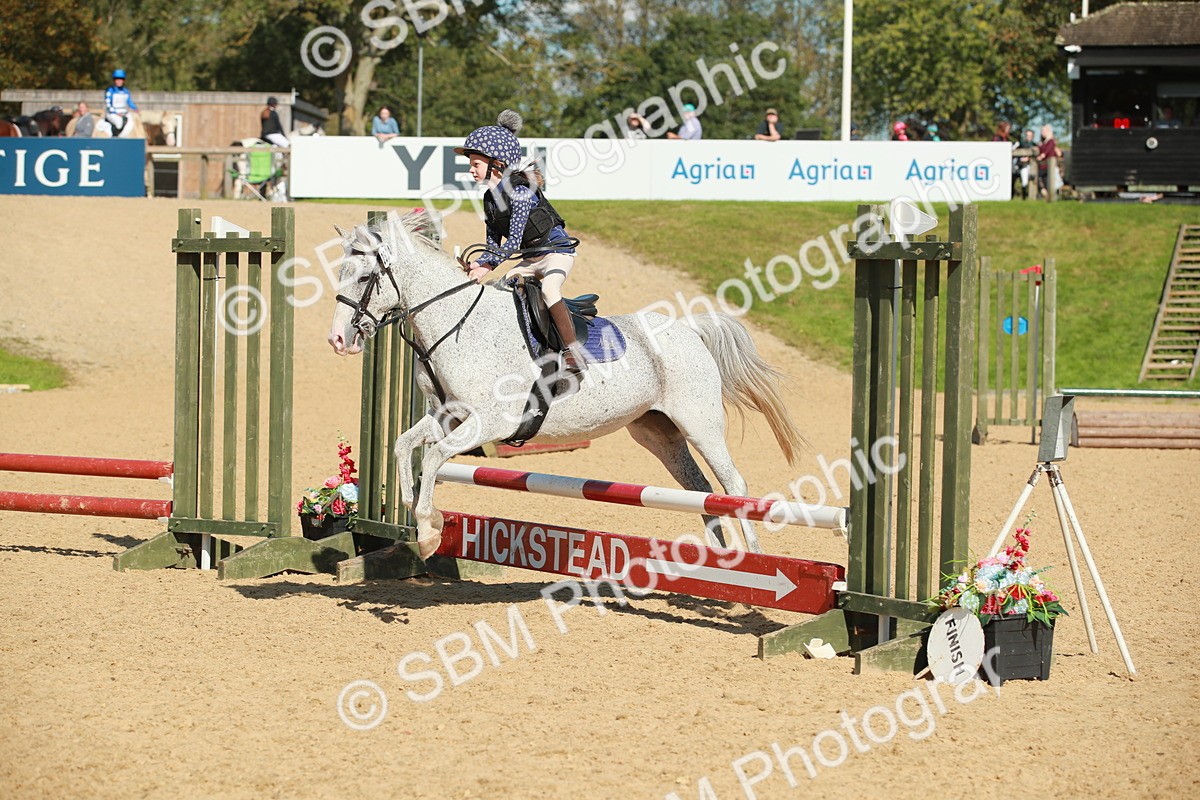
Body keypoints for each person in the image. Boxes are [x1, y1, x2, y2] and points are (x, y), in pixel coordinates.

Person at [456, 109, 584, 377]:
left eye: (476, 164)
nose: (471, 170)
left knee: (550, 290)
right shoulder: (490, 199)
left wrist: (487, 266)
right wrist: (479, 262)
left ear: (497, 165)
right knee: (502, 290)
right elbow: (493, 242)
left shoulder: (521, 192)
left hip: (555, 254)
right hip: (530, 259)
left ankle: (573, 352)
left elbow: (512, 242)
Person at [104, 69, 138, 137]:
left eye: (121, 79)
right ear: (114, 80)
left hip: (123, 112)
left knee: (131, 124)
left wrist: (135, 108)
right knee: (119, 123)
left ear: (123, 80)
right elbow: (108, 104)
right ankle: (114, 137)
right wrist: (116, 112)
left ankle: (123, 138)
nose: (119, 81)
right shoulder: (110, 90)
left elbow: (129, 101)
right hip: (112, 113)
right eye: (117, 79)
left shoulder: (126, 91)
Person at [1036, 124, 1063, 198]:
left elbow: (1048, 150)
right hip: (1043, 166)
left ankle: (1050, 196)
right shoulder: (1043, 142)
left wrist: (1042, 156)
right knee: (1041, 179)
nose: (1042, 132)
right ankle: (1046, 194)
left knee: (1049, 181)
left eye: (1043, 131)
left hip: (1049, 165)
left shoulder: (1051, 141)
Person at [1015, 128, 1036, 196]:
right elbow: (1016, 153)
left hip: (1032, 166)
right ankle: (1024, 196)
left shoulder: (1034, 145)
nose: (1028, 137)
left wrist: (1029, 158)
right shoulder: (1021, 144)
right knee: (1025, 181)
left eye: (1030, 135)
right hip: (1023, 165)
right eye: (1027, 135)